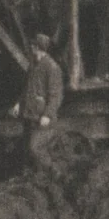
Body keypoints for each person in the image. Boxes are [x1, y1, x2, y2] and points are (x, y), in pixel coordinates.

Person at [12, 33, 65, 175]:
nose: (30, 47)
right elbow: (28, 88)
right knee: (27, 149)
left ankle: (56, 173)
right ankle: (35, 177)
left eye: (33, 45)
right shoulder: (33, 65)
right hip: (30, 115)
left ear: (37, 47)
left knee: (35, 147)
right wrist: (18, 104)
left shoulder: (52, 67)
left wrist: (47, 115)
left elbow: (56, 96)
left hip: (42, 117)